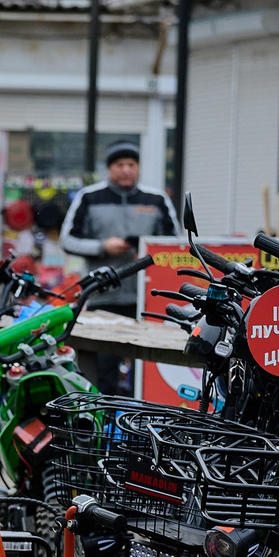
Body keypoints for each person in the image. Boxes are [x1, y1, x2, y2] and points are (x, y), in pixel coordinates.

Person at [60, 140, 171, 393]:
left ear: (138, 167)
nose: (126, 170)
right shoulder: (89, 198)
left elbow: (173, 244)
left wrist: (147, 253)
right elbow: (67, 240)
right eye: (119, 164)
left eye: (131, 164)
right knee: (104, 370)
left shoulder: (156, 200)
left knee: (146, 371)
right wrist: (102, 247)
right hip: (102, 297)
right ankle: (107, 424)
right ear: (109, 168)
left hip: (145, 299)